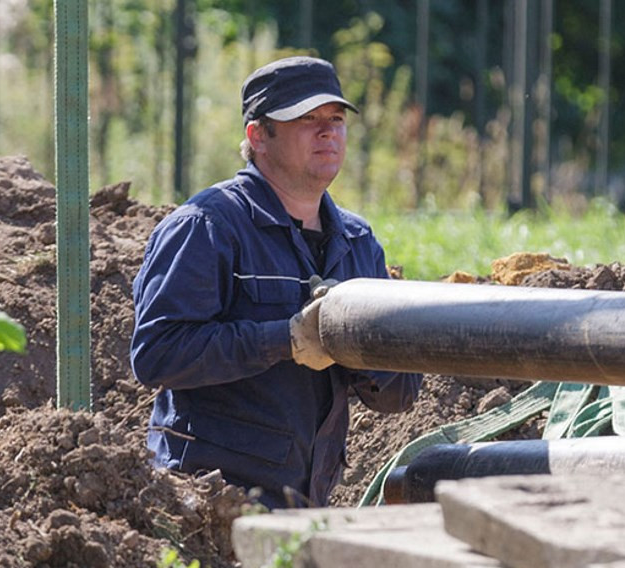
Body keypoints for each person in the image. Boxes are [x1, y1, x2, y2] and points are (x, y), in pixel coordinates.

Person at [131, 56, 422, 509]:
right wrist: (285, 339)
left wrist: (365, 346)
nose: (327, 132)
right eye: (306, 119)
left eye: (336, 119)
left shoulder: (358, 243)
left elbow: (400, 396)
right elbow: (158, 354)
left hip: (304, 502)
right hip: (205, 503)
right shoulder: (207, 227)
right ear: (257, 136)